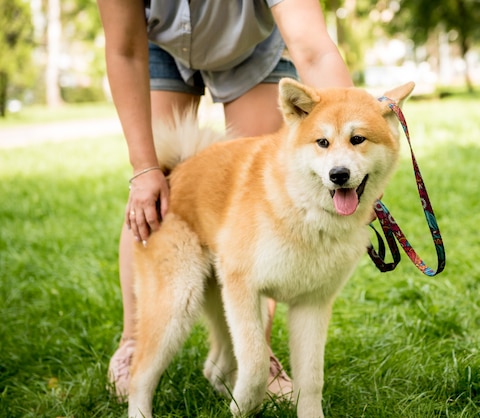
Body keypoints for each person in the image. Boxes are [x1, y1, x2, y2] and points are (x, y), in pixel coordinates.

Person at [97, 0, 353, 400]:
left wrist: (351, 145)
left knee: (260, 204)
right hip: (158, 41)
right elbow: (124, 49)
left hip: (253, 48)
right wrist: (145, 168)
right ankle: (135, 341)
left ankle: (251, 355)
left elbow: (314, 47)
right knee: (159, 195)